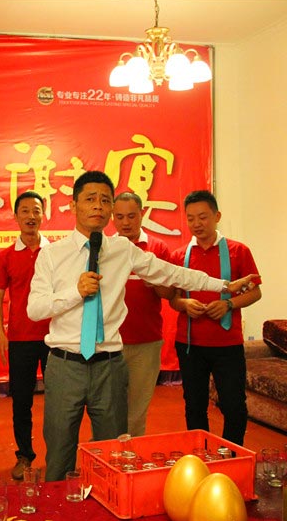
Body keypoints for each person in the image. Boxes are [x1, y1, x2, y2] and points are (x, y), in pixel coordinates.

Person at [27, 171, 259, 481]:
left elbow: (173, 273)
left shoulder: (122, 250)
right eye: (90, 199)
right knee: (59, 452)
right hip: (65, 364)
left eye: (105, 200)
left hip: (109, 366)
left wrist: (224, 286)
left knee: (112, 454)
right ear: (73, 205)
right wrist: (75, 292)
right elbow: (35, 309)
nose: (98, 206)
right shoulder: (52, 254)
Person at [169, 190, 262, 446]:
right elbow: (173, 299)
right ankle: (201, 453)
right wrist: (184, 304)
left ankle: (232, 454)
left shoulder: (238, 251)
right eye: (190, 218)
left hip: (227, 344)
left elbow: (255, 292)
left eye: (203, 217)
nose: (196, 224)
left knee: (233, 405)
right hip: (190, 344)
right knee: (194, 405)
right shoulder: (180, 256)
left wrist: (228, 304)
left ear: (217, 216)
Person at [0, 191, 51, 480]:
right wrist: (2, 335)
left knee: (59, 400)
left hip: (54, 338)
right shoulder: (5, 257)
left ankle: (57, 454)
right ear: (15, 217)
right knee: (22, 402)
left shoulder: (55, 252)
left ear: (43, 215)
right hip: (20, 339)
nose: (31, 216)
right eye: (24, 210)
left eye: (36, 210)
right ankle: (24, 455)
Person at [112, 192, 173, 437]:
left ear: (142, 213)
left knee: (136, 410)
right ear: (112, 218)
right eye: (119, 217)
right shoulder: (105, 249)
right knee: (107, 408)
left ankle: (131, 454)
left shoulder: (158, 248)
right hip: (110, 342)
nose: (125, 222)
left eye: (131, 216)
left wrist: (153, 279)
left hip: (146, 342)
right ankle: (105, 453)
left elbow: (169, 293)